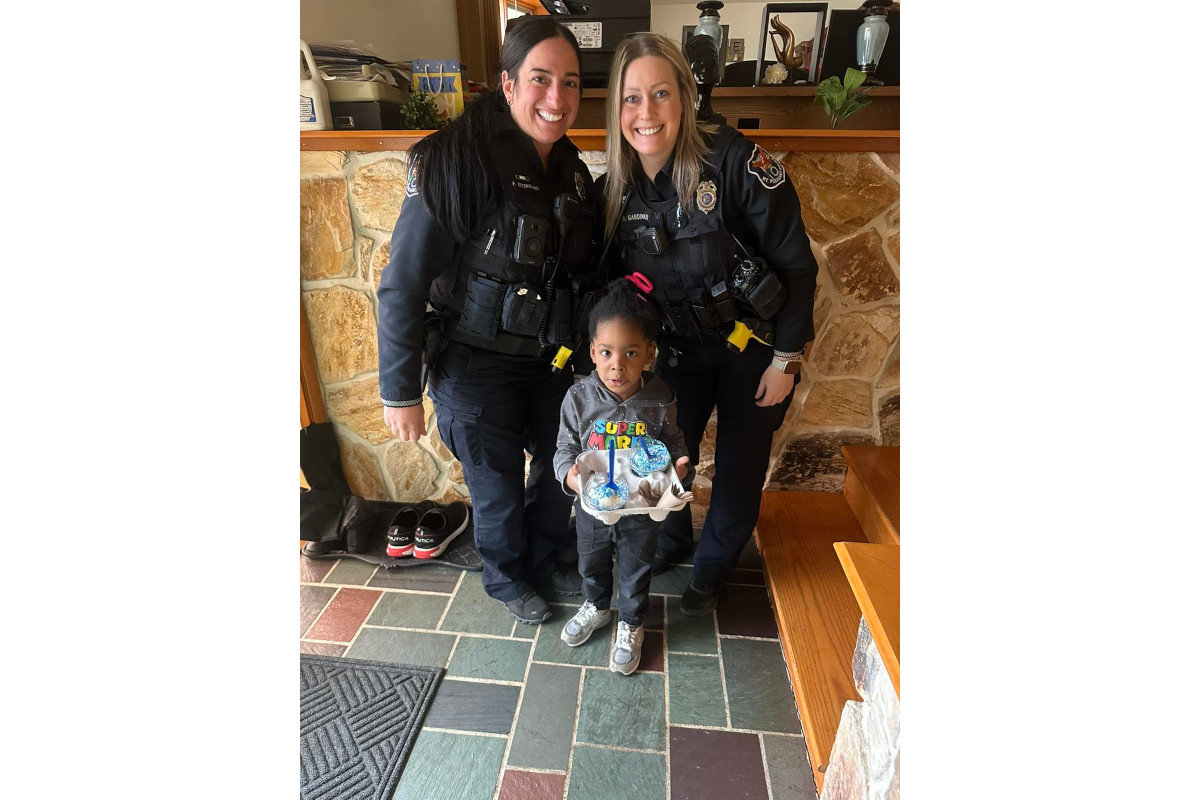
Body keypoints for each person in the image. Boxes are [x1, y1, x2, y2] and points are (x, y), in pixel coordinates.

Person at [377, 16, 603, 625]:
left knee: (562, 474)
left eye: (571, 83)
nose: (557, 99)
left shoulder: (575, 173)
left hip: (551, 363)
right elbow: (403, 281)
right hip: (474, 366)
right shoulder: (452, 161)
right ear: (507, 84)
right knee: (496, 490)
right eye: (540, 80)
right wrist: (400, 393)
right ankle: (505, 578)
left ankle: (547, 550)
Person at [598, 33, 818, 616]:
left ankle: (715, 569)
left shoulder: (738, 163)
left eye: (661, 94)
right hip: (673, 355)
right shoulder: (615, 189)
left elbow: (796, 264)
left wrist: (786, 360)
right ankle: (671, 543)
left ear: (687, 97)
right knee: (664, 458)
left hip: (752, 349)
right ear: (616, 109)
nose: (646, 114)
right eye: (632, 98)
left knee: (741, 467)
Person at [553, 278, 691, 674]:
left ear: (649, 353)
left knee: (636, 565)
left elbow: (673, 442)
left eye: (631, 353)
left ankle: (631, 623)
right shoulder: (578, 399)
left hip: (642, 505)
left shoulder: (660, 397)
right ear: (593, 352)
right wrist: (573, 480)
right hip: (593, 504)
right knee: (591, 560)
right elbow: (564, 449)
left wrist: (678, 469)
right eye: (608, 352)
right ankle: (596, 606)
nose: (618, 365)